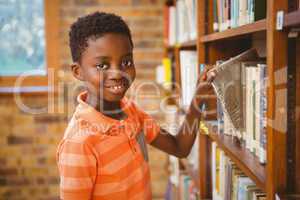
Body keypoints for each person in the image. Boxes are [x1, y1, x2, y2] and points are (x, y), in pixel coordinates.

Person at [56, 11, 216, 200]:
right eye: (102, 66)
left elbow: (179, 147)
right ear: (78, 71)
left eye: (126, 62)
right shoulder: (78, 143)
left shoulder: (130, 111)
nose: (118, 73)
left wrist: (197, 101)